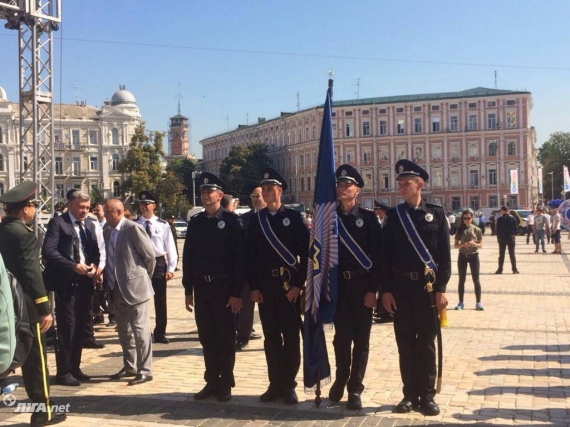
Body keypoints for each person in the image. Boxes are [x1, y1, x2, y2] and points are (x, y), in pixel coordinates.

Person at [380, 159, 451, 416]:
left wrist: (441, 288)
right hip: (400, 290)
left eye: (406, 183)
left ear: (420, 185)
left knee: (427, 344)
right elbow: (384, 257)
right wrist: (385, 291)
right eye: (399, 183)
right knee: (406, 344)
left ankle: (428, 395)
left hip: (427, 291)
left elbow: (444, 256)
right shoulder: (395, 216)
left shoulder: (437, 213)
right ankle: (409, 394)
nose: (401, 187)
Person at [0, 181, 66, 427]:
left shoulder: (2, 230)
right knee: (35, 360)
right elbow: (31, 274)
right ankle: (42, 412)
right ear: (24, 209)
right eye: (33, 205)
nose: (34, 209)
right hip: (25, 306)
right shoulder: (24, 235)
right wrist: (44, 308)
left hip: (3, 303)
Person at [246, 168, 310, 405]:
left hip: (288, 289)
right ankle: (275, 384)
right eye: (263, 189)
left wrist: (298, 285)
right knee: (271, 338)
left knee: (291, 338)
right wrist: (253, 287)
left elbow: (306, 255)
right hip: (265, 288)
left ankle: (289, 384)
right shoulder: (256, 220)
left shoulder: (293, 218)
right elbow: (249, 257)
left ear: (280, 191)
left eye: (270, 188)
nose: (265, 192)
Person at [183, 172, 245, 402]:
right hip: (202, 288)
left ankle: (225, 383)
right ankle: (211, 381)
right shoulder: (196, 222)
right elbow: (188, 257)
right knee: (207, 337)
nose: (205, 195)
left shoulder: (232, 222)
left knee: (226, 338)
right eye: (202, 192)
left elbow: (240, 260)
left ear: (220, 195)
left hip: (224, 289)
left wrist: (236, 293)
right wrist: (188, 289)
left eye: (209, 191)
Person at [328, 165, 381, 410]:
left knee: (361, 341)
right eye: (339, 185)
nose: (341, 188)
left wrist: (373, 291)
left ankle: (355, 388)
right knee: (341, 339)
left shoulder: (368, 219)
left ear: (357, 190)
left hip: (362, 288)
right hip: (339, 287)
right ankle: (341, 378)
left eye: (346, 185)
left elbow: (379, 259)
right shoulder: (328, 218)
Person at [42, 191, 105, 386]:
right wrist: (72, 266)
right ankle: (64, 371)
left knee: (82, 326)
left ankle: (75, 367)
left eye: (87, 207)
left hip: (85, 282)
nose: (84, 211)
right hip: (66, 284)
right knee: (67, 327)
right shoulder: (58, 224)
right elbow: (49, 251)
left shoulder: (89, 225)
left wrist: (94, 266)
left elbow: (94, 250)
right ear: (70, 205)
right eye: (81, 207)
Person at [104, 199, 156, 386]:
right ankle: (130, 366)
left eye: (107, 212)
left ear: (118, 212)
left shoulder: (132, 229)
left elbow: (149, 257)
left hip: (135, 289)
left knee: (140, 330)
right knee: (124, 331)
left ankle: (145, 370)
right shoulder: (107, 231)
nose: (104, 216)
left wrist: (141, 277)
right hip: (115, 288)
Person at [136, 191, 178, 344]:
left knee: (160, 301)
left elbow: (170, 247)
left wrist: (171, 268)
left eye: (147, 204)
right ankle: (142, 331)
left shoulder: (162, 224)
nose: (144, 207)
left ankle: (160, 332)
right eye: (141, 204)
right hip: (140, 265)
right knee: (140, 300)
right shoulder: (135, 225)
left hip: (159, 263)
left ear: (154, 205)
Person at [235, 187, 266, 351]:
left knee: (270, 308)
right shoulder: (244, 218)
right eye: (253, 195)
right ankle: (242, 337)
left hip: (267, 271)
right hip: (249, 270)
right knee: (246, 307)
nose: (255, 198)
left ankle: (274, 336)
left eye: (258, 195)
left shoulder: (271, 216)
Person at [454, 210, 483, 311]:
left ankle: (478, 302)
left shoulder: (477, 229)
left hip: (474, 256)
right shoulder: (459, 230)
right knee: (461, 280)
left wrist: (473, 244)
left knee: (476, 279)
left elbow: (480, 245)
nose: (466, 220)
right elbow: (455, 245)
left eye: (468, 218)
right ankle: (460, 302)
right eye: (464, 218)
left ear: (472, 218)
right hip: (462, 256)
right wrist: (463, 245)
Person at [495, 206, 519, 274]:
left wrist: (498, 237)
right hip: (511, 238)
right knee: (512, 254)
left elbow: (497, 229)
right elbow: (515, 228)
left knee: (501, 255)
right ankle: (514, 269)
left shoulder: (499, 219)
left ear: (504, 211)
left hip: (502, 238)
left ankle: (500, 269)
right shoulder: (513, 219)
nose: (500, 212)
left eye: (501, 211)